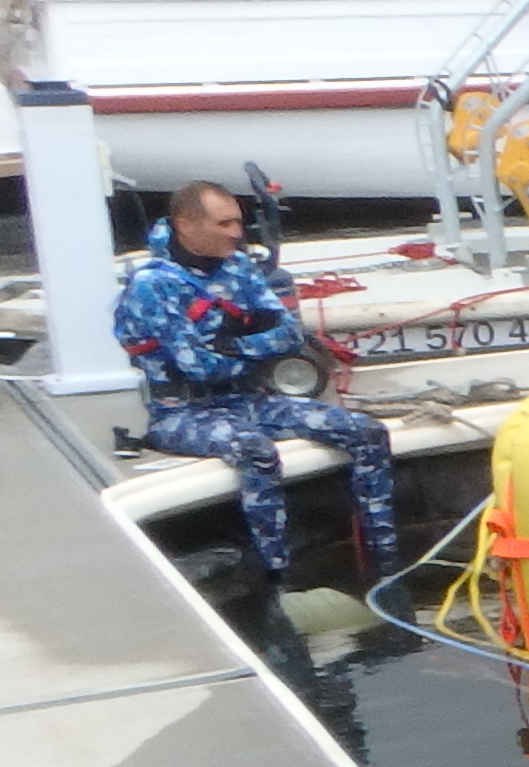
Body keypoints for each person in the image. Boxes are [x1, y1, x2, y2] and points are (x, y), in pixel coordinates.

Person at [113, 179, 400, 589]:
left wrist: (232, 344)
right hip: (184, 413)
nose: (236, 232)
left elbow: (288, 335)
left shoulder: (239, 267)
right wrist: (254, 345)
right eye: (224, 223)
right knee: (255, 452)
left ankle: (384, 563)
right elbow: (199, 367)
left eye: (238, 222)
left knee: (367, 431)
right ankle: (278, 578)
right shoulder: (153, 285)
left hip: (253, 400)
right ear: (186, 225)